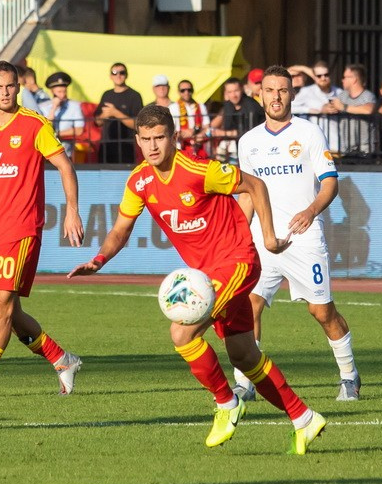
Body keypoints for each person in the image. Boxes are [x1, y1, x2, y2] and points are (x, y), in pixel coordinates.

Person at [70, 103, 327, 454]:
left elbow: (255, 184)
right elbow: (120, 229)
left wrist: (267, 236)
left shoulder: (198, 169)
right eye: (146, 139)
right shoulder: (139, 181)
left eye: (160, 137)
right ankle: (304, 418)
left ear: (174, 137)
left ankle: (226, 403)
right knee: (243, 355)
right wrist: (98, 259)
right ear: (137, 140)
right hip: (208, 274)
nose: (153, 146)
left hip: (237, 261)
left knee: (182, 330)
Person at [0, 59, 88, 398]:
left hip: (22, 229)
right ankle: (61, 359)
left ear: (18, 87)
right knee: (6, 309)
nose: (5, 92)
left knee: (3, 303)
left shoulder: (35, 125)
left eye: (10, 85)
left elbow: (65, 166)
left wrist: (72, 212)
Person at [233, 66, 361, 404]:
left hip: (302, 238)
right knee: (249, 306)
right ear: (260, 95)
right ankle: (245, 383)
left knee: (322, 312)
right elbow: (246, 194)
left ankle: (349, 375)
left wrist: (311, 211)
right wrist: (236, 236)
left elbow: (330, 182)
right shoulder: (249, 142)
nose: (276, 97)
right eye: (270, 90)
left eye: (282, 90)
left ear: (292, 94)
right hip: (262, 239)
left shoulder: (309, 133)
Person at [94, 60, 145, 165]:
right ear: (110, 76)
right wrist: (104, 115)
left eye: (122, 72)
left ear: (126, 75)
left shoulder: (134, 96)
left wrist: (116, 113)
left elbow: (138, 124)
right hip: (106, 145)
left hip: (126, 146)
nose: (118, 75)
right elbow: (96, 122)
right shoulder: (106, 95)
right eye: (114, 72)